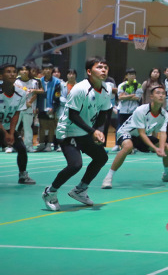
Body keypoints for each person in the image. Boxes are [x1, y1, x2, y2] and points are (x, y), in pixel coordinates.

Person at [42, 57, 112, 211]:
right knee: (75, 165)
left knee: (101, 157)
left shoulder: (106, 88)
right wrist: (93, 131)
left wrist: (99, 131)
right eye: (99, 67)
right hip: (69, 131)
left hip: (85, 131)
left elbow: (104, 112)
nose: (103, 70)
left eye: (105, 68)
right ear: (89, 71)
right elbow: (73, 115)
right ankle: (50, 192)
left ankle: (80, 190)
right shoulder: (80, 89)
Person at [101, 84, 168, 188]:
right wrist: (155, 148)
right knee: (128, 146)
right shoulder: (141, 110)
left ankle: (167, 174)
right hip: (127, 132)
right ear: (151, 97)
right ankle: (108, 177)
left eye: (163, 93)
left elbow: (163, 133)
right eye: (158, 93)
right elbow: (142, 133)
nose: (161, 95)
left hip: (141, 136)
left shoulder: (164, 114)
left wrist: (162, 148)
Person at [0, 64, 35, 184]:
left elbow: (16, 114)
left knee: (21, 148)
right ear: (1, 76)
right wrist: (5, 134)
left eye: (14, 71)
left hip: (7, 127)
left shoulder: (21, 93)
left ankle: (23, 175)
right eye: (8, 71)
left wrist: (11, 133)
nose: (12, 74)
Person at [35, 63, 62, 153]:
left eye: (49, 69)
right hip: (41, 106)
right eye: (45, 69)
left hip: (51, 107)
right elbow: (37, 95)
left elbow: (57, 95)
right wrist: (37, 106)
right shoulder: (39, 81)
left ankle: (49, 145)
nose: (47, 70)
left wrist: (53, 107)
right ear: (42, 70)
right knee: (42, 126)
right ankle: (42, 144)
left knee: (51, 127)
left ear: (51, 70)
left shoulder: (57, 82)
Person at [115, 68, 143, 152]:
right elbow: (120, 97)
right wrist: (131, 95)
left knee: (133, 128)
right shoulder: (122, 85)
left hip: (133, 110)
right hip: (122, 110)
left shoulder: (138, 85)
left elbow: (137, 97)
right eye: (130, 74)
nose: (132, 76)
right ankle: (117, 144)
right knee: (120, 127)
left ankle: (133, 146)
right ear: (126, 76)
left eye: (133, 74)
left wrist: (126, 96)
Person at [14, 63, 39, 152]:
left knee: (28, 127)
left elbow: (35, 94)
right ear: (19, 72)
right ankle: (12, 146)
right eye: (22, 70)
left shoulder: (34, 82)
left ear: (29, 71)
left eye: (26, 70)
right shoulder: (16, 82)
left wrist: (29, 103)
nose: (24, 71)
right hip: (17, 108)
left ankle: (28, 146)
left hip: (29, 107)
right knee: (14, 127)